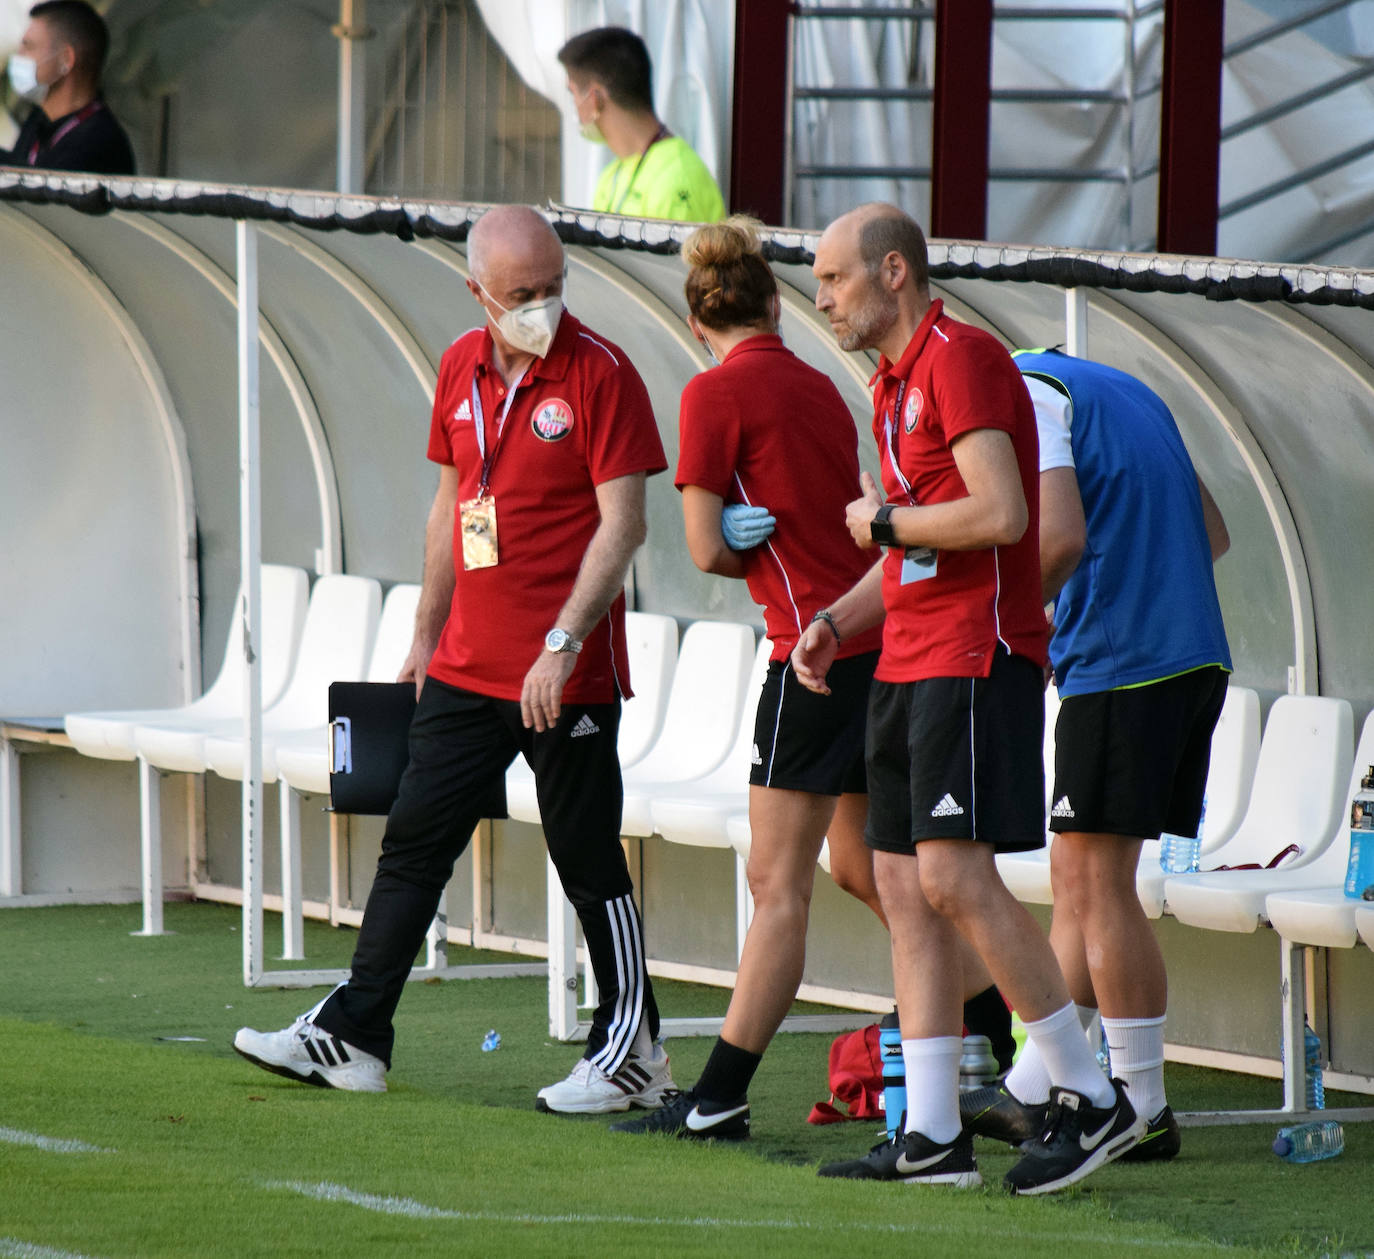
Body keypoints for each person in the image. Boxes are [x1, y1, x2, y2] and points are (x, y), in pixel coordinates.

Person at [234, 204, 675, 1116]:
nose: (543, 307)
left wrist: (561, 641)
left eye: (555, 287)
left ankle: (634, 1051)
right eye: (522, 294)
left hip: (566, 672)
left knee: (586, 856)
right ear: (476, 291)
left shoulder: (603, 372)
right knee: (413, 846)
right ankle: (356, 1035)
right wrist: (424, 637)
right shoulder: (457, 366)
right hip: (469, 666)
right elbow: (449, 513)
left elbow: (624, 524)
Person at [611, 215, 1014, 1141]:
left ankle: (717, 1095)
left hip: (813, 651)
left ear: (698, 319)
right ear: (774, 304)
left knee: (777, 882)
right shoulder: (831, 386)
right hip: (885, 638)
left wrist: (739, 538)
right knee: (871, 871)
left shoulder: (713, 395)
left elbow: (708, 545)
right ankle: (995, 1035)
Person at [796, 203, 1142, 1194]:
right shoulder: (891, 383)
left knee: (953, 876)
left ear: (893, 270)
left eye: (834, 278)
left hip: (973, 653)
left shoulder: (963, 355)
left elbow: (1000, 512)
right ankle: (934, 1134)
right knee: (903, 884)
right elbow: (905, 548)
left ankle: (1088, 1090)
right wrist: (838, 617)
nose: (823, 299)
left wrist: (887, 521)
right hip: (906, 653)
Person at [960, 348, 1231, 1163]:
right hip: (1190, 656)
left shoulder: (1026, 393)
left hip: (1123, 664)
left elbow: (1059, 537)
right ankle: (1038, 1085)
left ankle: (1140, 1104)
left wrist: (1002, 626)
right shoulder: (1127, 390)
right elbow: (1213, 532)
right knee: (1083, 878)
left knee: (1099, 883)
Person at [559, 25, 724, 223]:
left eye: (573, 93)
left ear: (595, 98)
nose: (575, 106)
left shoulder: (677, 176)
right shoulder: (611, 175)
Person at [1, 1, 134, 175]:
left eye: (29, 47)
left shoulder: (99, 142)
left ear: (66, 60)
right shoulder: (39, 121)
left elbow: (40, 192)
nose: (19, 57)